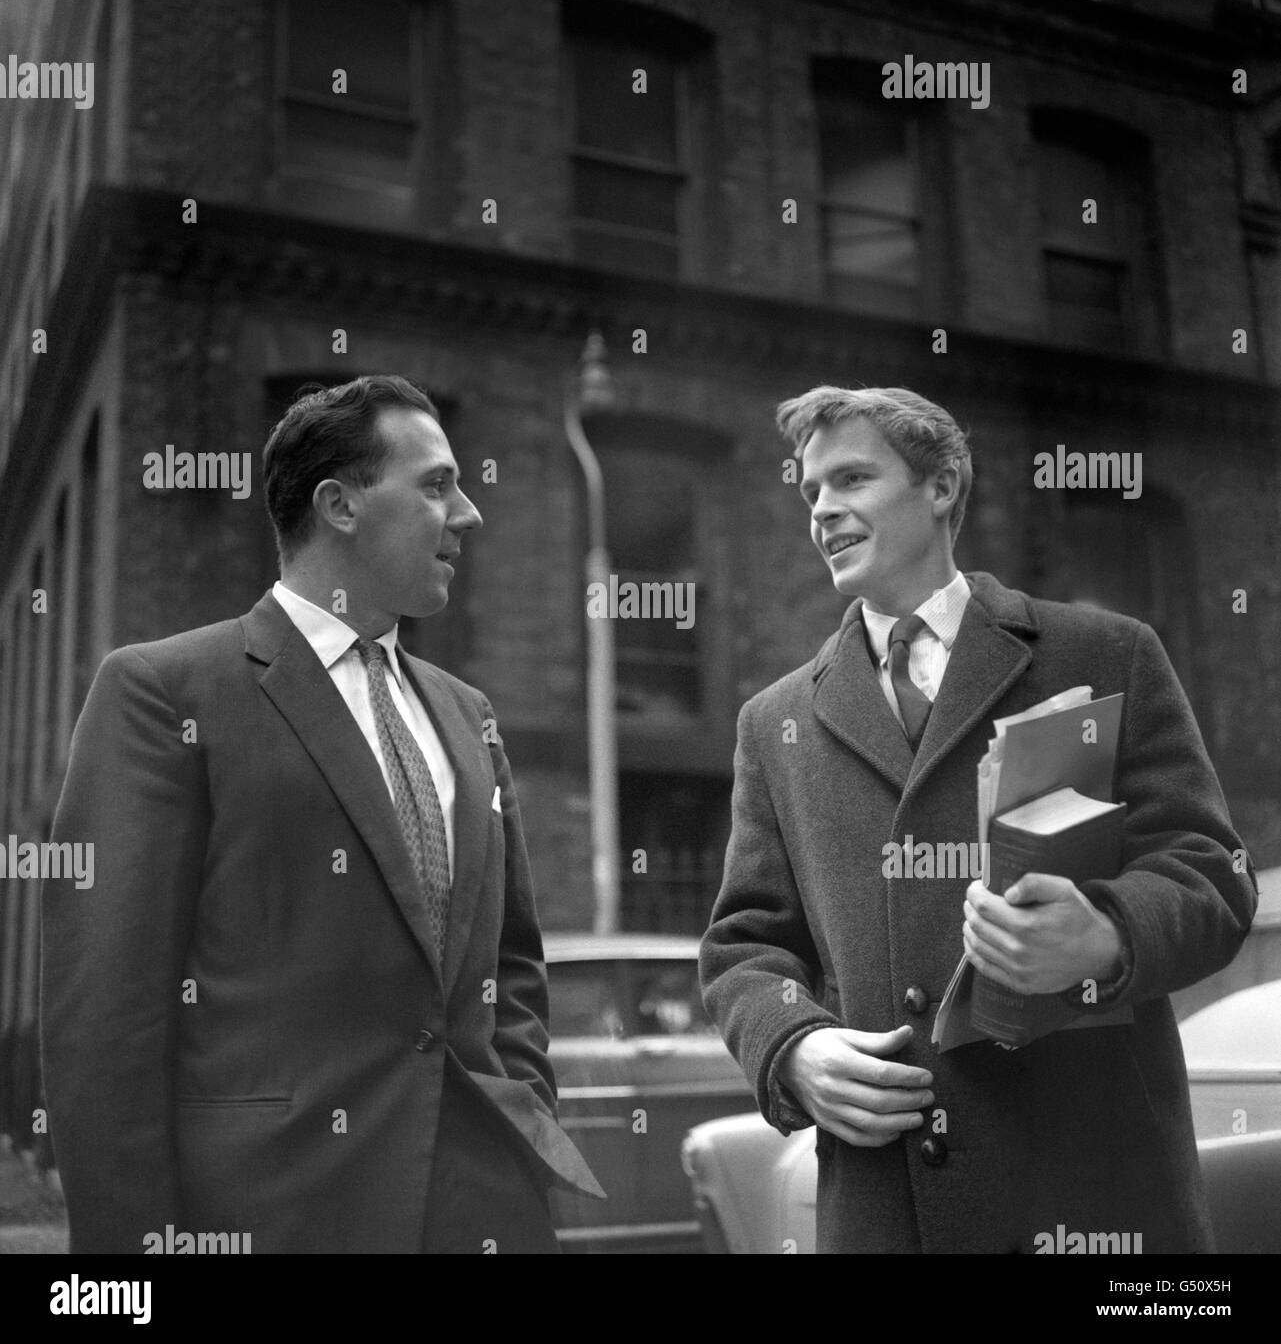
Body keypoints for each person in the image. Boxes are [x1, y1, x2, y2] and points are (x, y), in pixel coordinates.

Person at [41, 374, 602, 1253]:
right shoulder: (164, 691)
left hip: (480, 1213)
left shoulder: (468, 713)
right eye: (435, 484)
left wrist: (521, 1124)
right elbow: (105, 1014)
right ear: (339, 505)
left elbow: (510, 968)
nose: (468, 515)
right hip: (273, 1214)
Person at [699, 385, 1256, 1254]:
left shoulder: (1105, 653)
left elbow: (1212, 875)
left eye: (850, 479)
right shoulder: (774, 722)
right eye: (809, 492)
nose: (823, 511)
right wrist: (790, 1049)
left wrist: (1105, 935)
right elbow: (746, 944)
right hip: (886, 1208)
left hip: (1094, 1196)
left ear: (942, 485)